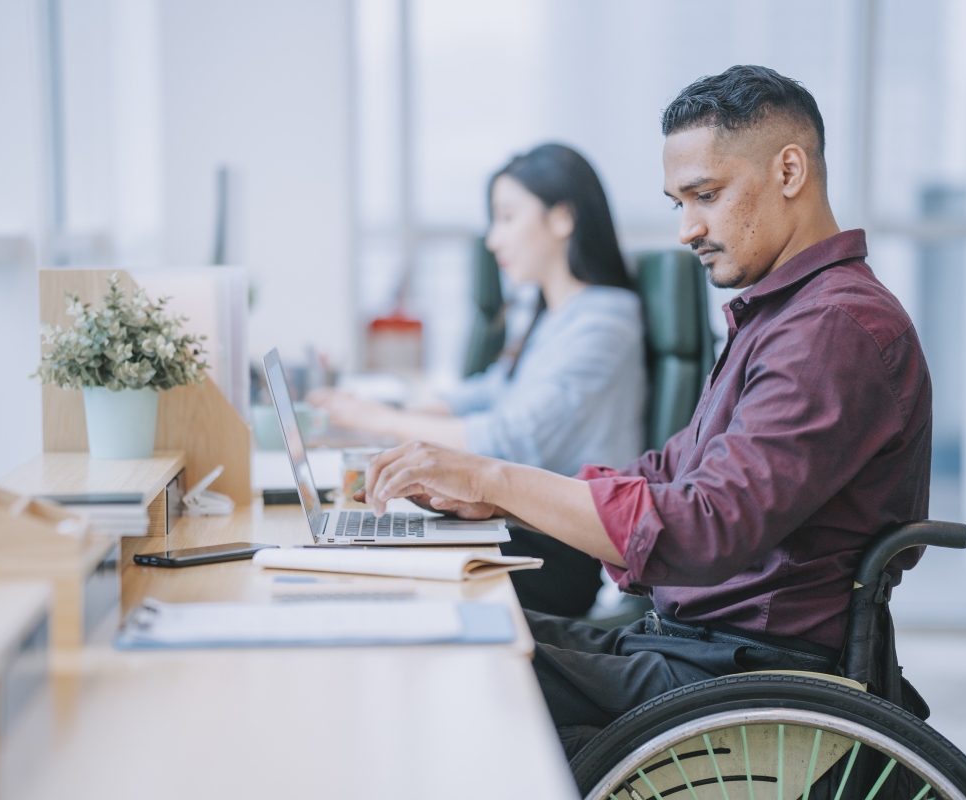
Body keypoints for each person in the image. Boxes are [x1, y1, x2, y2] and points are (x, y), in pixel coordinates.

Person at [360, 65, 932, 757]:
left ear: (789, 171)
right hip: (695, 649)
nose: (688, 229)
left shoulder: (831, 330)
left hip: (748, 678)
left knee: (457, 667)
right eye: (677, 203)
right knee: (458, 628)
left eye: (706, 196)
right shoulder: (783, 317)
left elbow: (706, 527)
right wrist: (498, 501)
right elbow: (671, 469)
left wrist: (493, 481)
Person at [312, 143, 648, 617]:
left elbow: (512, 435)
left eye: (507, 217)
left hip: (556, 547)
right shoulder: (545, 311)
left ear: (561, 219)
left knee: (385, 577)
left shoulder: (605, 320)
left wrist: (379, 418)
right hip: (515, 518)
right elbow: (492, 391)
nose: (494, 240)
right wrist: (379, 417)